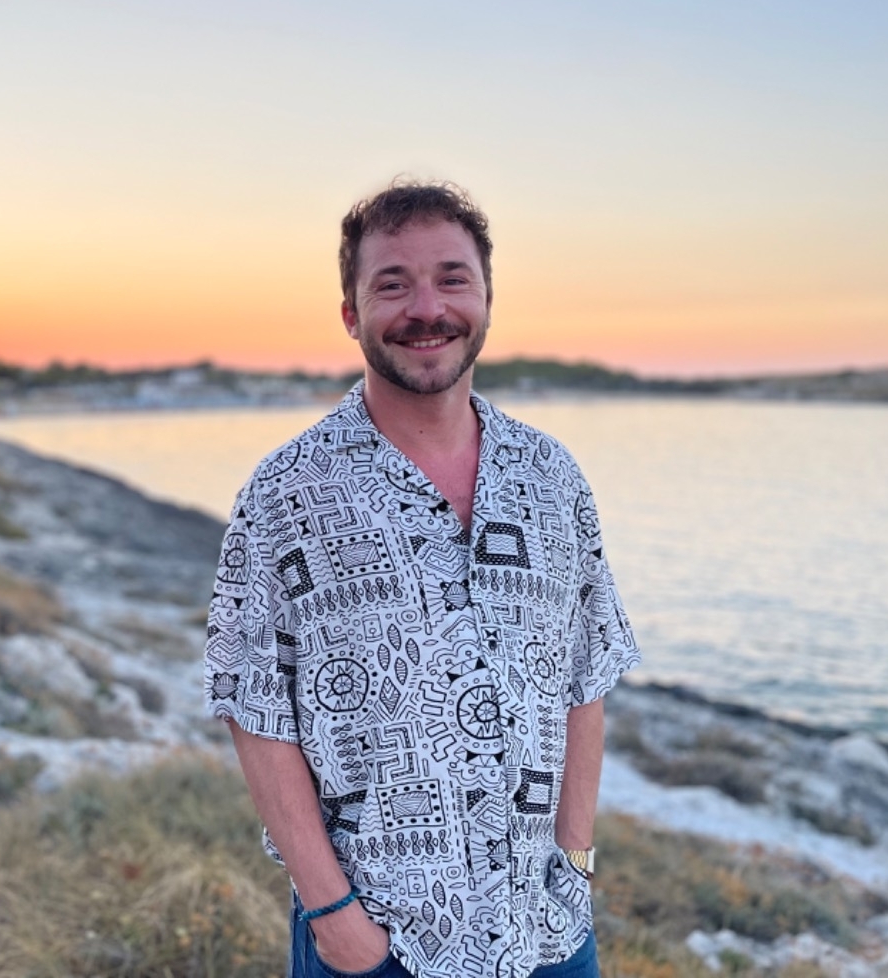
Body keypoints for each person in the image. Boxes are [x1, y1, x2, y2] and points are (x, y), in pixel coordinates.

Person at [204, 180, 640, 978]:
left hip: (545, 930)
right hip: (380, 941)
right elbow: (254, 706)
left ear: (486, 299)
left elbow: (585, 675)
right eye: (392, 285)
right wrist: (334, 916)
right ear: (351, 314)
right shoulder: (286, 494)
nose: (426, 308)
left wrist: (574, 862)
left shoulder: (552, 478)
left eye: (451, 278)